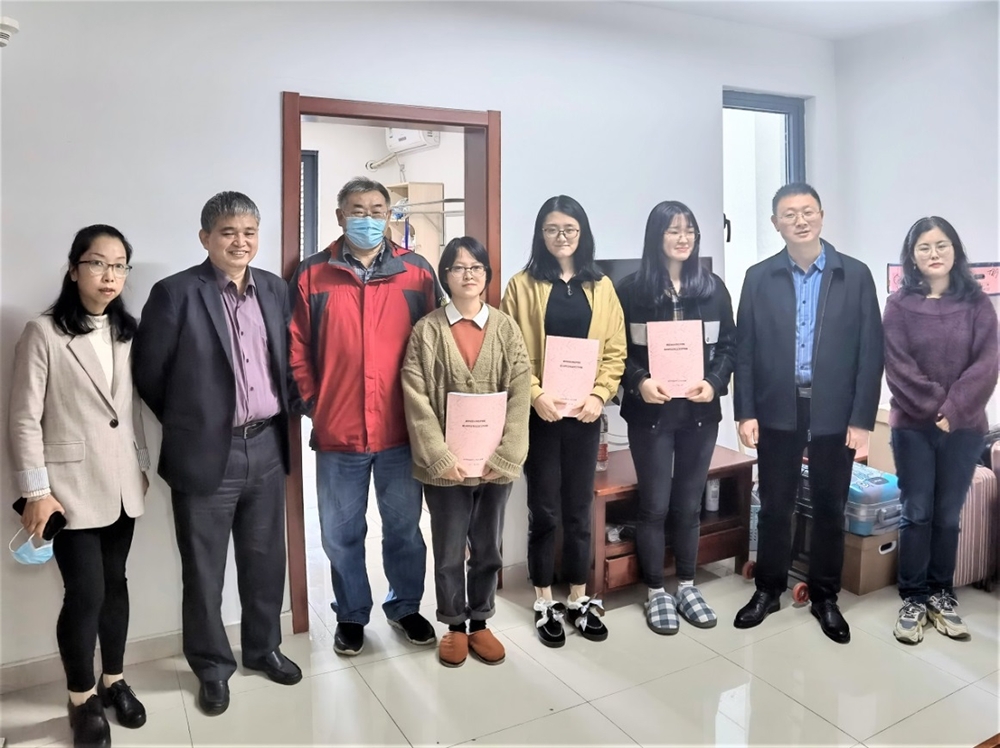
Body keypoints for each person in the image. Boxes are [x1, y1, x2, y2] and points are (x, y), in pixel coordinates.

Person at [133, 192, 300, 717]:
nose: (240, 242)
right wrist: (195, 424)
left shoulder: (274, 289)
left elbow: (285, 362)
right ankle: (211, 667)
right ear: (205, 238)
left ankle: (263, 648)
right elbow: (149, 375)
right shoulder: (175, 293)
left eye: (249, 232)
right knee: (204, 571)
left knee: (265, 560)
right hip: (209, 453)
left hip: (267, 445)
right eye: (228, 232)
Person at [288, 177, 443, 657]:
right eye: (358, 210)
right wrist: (316, 405)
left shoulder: (417, 272)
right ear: (340, 216)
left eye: (378, 210)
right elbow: (296, 349)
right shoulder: (313, 274)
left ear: (389, 216)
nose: (368, 219)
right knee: (341, 534)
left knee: (404, 530)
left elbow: (436, 346)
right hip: (339, 433)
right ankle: (352, 614)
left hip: (401, 430)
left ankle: (405, 606)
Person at [8, 225, 150, 748]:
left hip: (122, 484)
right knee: (85, 593)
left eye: (119, 265)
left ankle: (114, 680)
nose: (109, 275)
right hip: (66, 489)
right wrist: (35, 491)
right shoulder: (43, 332)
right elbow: (24, 418)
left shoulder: (128, 331)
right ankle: (81, 697)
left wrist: (140, 465)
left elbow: (128, 410)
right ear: (74, 269)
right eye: (97, 263)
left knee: (117, 585)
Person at [734, 182, 883, 644]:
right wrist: (745, 411)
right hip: (777, 408)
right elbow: (745, 351)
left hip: (835, 411)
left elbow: (871, 352)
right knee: (775, 505)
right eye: (789, 214)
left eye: (808, 211)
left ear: (821, 215)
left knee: (829, 507)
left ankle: (824, 596)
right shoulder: (759, 277)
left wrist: (861, 419)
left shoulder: (854, 275)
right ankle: (768, 589)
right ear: (775, 223)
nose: (800, 220)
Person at [500, 195, 626, 647]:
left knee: (578, 509)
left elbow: (615, 351)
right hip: (541, 415)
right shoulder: (520, 285)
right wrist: (535, 394)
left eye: (569, 229)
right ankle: (542, 599)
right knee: (544, 510)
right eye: (552, 229)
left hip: (585, 415)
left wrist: (600, 395)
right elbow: (511, 349)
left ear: (582, 233)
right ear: (541, 234)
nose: (561, 237)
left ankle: (577, 596)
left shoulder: (602, 286)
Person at [401, 236, 531, 667]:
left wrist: (508, 453)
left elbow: (520, 393)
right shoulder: (427, 331)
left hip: (495, 467)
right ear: (445, 275)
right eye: (458, 267)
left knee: (488, 548)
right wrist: (438, 456)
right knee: (449, 549)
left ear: (487, 274)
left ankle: (480, 621)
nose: (468, 275)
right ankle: (454, 624)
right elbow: (415, 396)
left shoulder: (506, 328)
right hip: (447, 469)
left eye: (476, 267)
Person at [616, 201, 736, 635]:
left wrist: (715, 382)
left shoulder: (712, 288)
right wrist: (640, 382)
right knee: (654, 506)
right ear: (656, 236)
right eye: (673, 230)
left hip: (699, 414)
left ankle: (686, 584)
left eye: (689, 230)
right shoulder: (630, 290)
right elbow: (617, 351)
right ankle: (655, 591)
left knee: (688, 505)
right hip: (650, 416)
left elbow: (730, 346)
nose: (683, 238)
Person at [884, 217, 998, 645]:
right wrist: (937, 410)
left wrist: (955, 410)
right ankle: (913, 597)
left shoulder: (977, 303)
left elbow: (988, 363)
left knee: (948, 515)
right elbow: (897, 365)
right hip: (912, 429)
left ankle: (941, 593)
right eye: (924, 247)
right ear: (912, 256)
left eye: (942, 245)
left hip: (965, 429)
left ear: (955, 250)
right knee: (917, 512)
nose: (934, 254)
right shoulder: (898, 305)